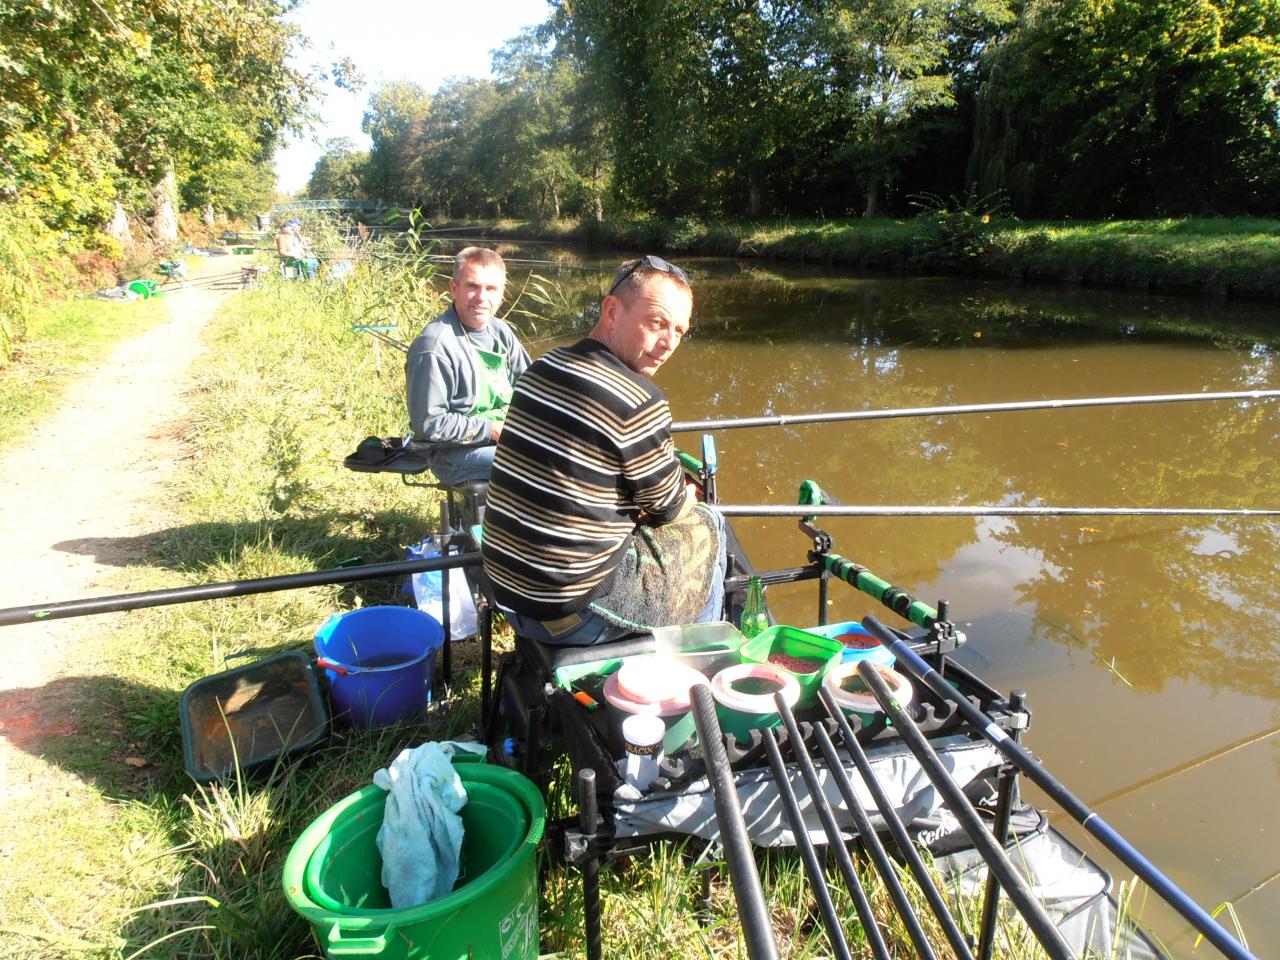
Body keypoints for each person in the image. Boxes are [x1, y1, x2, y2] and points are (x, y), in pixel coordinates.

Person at [482, 255, 726, 646]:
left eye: (679, 331)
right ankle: (699, 660)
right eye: (657, 323)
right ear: (612, 312)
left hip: (508, 595)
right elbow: (668, 510)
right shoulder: (639, 400)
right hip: (570, 615)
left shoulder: (541, 367)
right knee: (711, 526)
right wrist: (687, 497)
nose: (668, 344)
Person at [405, 247, 531, 485]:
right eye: (472, 286)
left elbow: (531, 385)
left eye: (491, 288)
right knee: (539, 463)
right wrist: (493, 430)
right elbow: (428, 423)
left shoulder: (501, 331)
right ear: (454, 288)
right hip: (451, 454)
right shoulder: (433, 346)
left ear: (502, 293)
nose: (482, 297)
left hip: (505, 435)